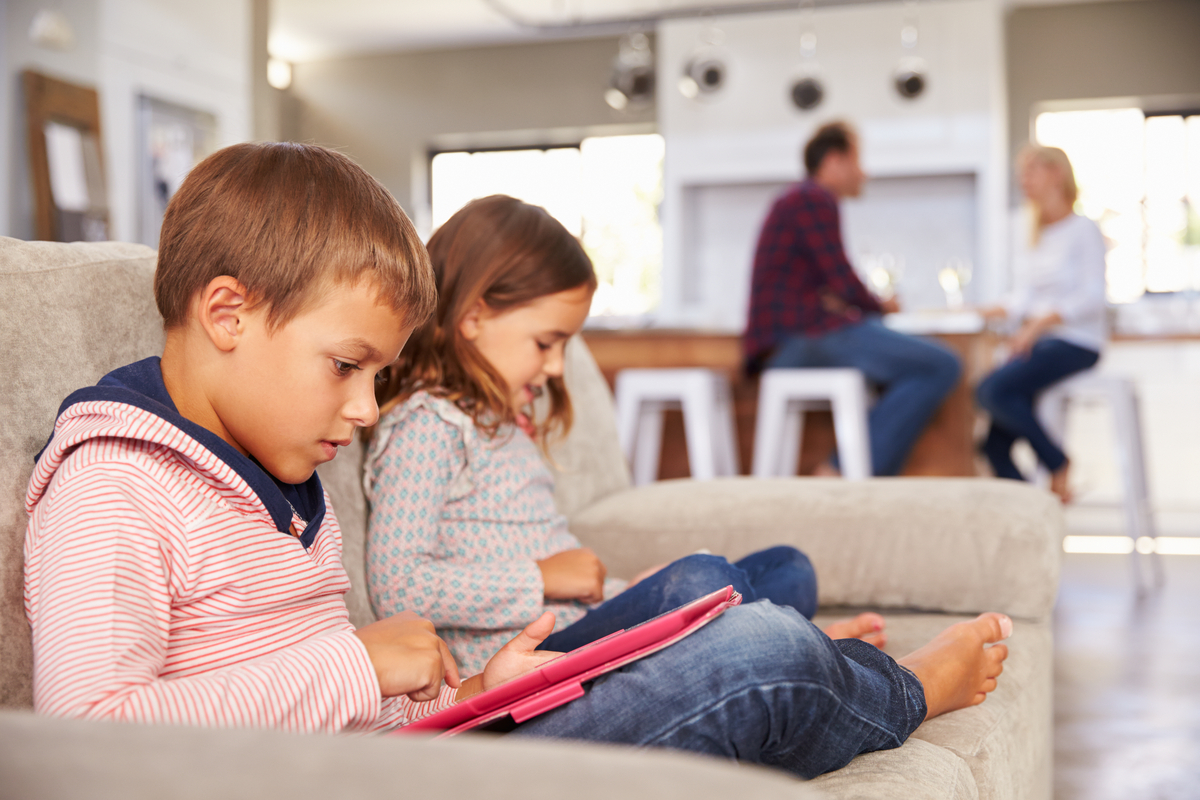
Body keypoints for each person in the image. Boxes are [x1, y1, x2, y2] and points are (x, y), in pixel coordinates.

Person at [23, 141, 1011, 781]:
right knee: (762, 655)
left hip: (423, 748)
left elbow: (327, 689)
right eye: (348, 367)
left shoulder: (264, 459)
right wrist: (357, 659)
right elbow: (91, 736)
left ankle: (848, 676)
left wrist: (468, 693)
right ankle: (904, 688)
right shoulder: (114, 485)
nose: (366, 407)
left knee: (752, 631)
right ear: (228, 312)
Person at [364, 194, 886, 675]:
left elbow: (569, 581)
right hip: (531, 658)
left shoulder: (502, 424)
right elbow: (398, 586)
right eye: (546, 343)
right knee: (700, 582)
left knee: (788, 568)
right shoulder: (427, 425)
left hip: (583, 621)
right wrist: (541, 579)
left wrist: (626, 591)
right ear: (474, 317)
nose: (555, 367)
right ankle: (782, 643)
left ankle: (772, 641)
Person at [743, 121, 961, 476]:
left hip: (787, 342)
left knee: (904, 366)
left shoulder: (794, 199)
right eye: (858, 161)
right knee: (942, 364)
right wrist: (882, 305)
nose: (864, 173)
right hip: (801, 339)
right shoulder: (813, 198)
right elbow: (843, 281)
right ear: (833, 161)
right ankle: (841, 471)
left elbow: (829, 286)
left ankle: (851, 472)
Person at [976, 145, 1106, 502]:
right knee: (992, 448)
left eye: (1031, 172)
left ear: (1056, 174)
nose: (1024, 181)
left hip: (1075, 342)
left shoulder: (1083, 230)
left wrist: (1036, 326)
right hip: (1040, 343)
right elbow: (1024, 299)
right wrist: (981, 311)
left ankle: (1058, 462)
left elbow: (1093, 297)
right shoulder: (1038, 234)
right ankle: (1034, 509)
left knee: (990, 391)